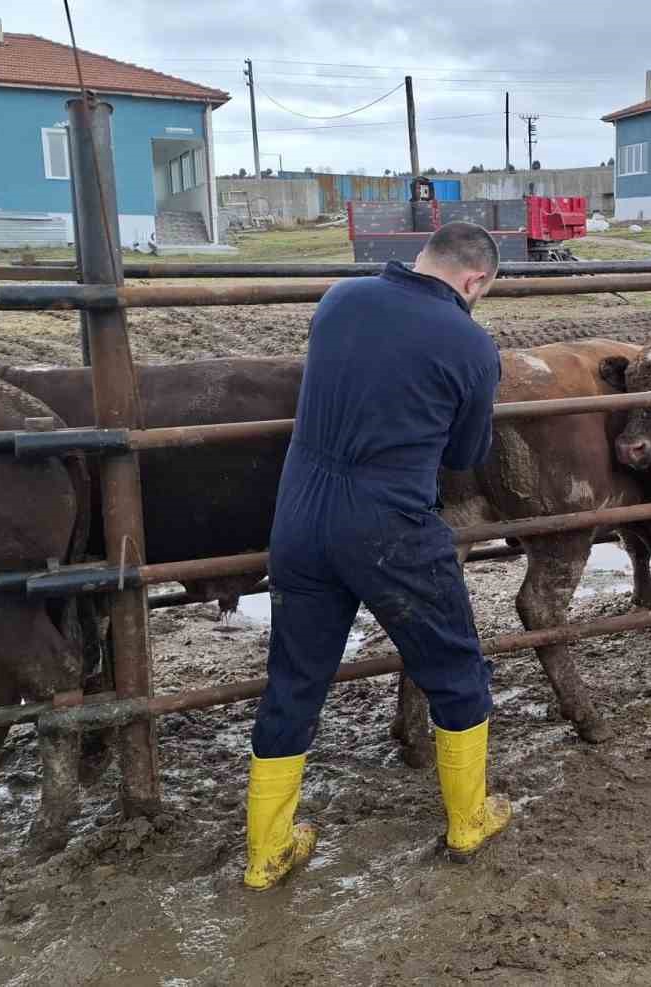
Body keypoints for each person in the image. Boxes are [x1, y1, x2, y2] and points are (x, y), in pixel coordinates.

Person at [242, 222, 511, 891]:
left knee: (295, 679)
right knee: (455, 666)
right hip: (389, 526)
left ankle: (266, 854)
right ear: (475, 280)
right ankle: (468, 820)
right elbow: (466, 455)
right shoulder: (471, 344)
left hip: (299, 516)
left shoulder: (340, 298)